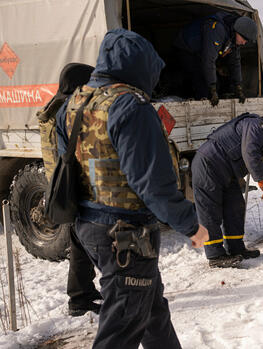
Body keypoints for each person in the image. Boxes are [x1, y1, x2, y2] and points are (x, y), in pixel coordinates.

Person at [56, 28, 209, 348]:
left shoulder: (75, 102)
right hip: (125, 233)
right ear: (140, 66)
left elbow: (65, 160)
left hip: (89, 225)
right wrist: (191, 225)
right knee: (123, 324)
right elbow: (152, 183)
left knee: (152, 310)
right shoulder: (131, 107)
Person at [192, 108, 263, 268]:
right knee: (210, 211)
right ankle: (215, 255)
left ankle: (236, 248)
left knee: (235, 207)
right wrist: (261, 180)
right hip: (209, 165)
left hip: (227, 172)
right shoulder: (256, 126)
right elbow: (249, 151)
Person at [38, 63, 103, 317]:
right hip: (70, 185)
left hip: (64, 183)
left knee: (80, 240)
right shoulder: (66, 111)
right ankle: (79, 298)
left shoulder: (56, 107)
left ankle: (83, 292)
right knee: (82, 240)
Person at [174, 11, 257, 105]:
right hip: (186, 48)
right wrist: (212, 88)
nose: (244, 43)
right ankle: (198, 110)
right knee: (203, 84)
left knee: (215, 84)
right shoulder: (217, 29)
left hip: (201, 53)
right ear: (237, 31)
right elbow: (208, 60)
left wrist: (238, 87)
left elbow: (235, 62)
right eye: (244, 39)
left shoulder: (234, 37)